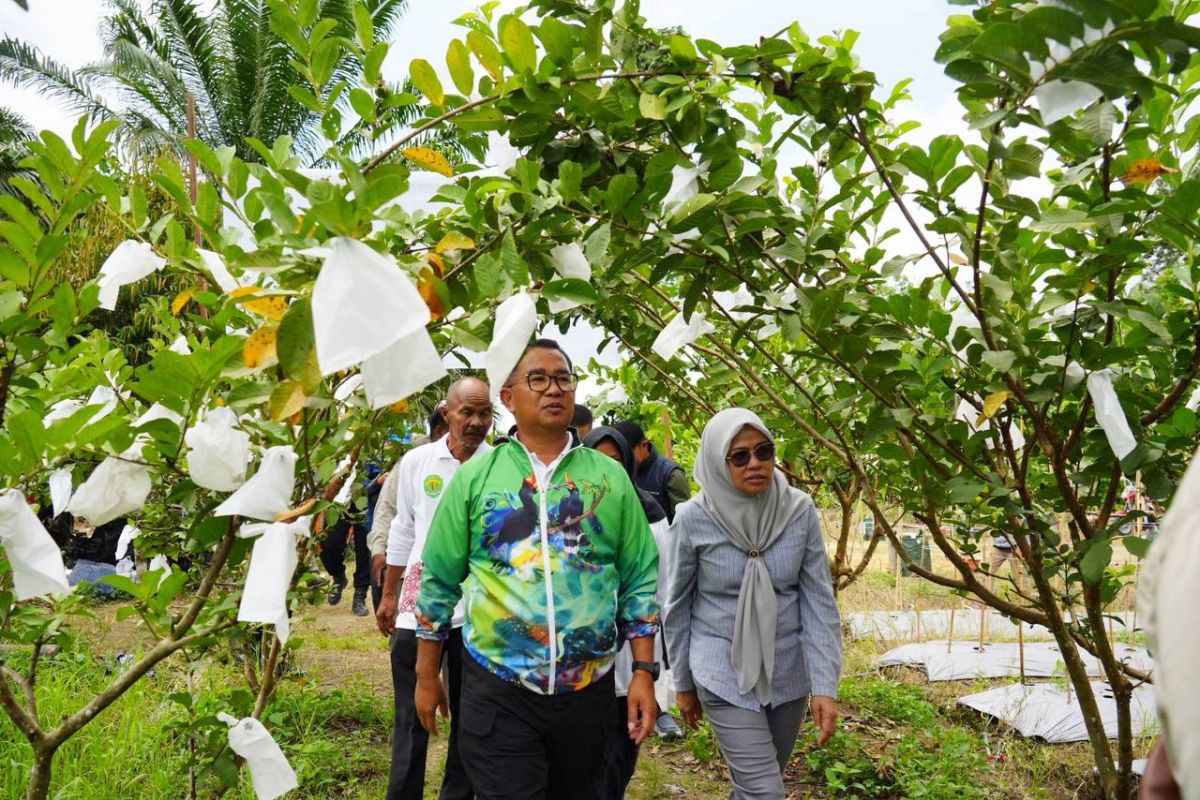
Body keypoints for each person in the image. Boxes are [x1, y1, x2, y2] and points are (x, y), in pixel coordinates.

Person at [415, 339, 661, 800]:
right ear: (508, 398)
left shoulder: (608, 479)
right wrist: (428, 675)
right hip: (499, 686)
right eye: (539, 379)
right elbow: (438, 579)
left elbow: (639, 578)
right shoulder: (477, 477)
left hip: (589, 691)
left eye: (563, 378)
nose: (554, 389)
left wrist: (644, 671)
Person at [664, 408, 842, 800]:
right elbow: (676, 604)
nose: (755, 463)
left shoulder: (798, 511)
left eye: (764, 451)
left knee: (758, 784)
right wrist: (683, 683)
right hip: (720, 668)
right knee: (764, 791)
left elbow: (818, 602)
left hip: (787, 670)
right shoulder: (693, 518)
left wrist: (825, 686)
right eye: (740, 456)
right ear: (717, 461)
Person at [375, 379, 493, 800]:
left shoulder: (498, 466)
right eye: (468, 413)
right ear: (448, 414)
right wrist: (390, 594)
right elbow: (403, 531)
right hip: (418, 607)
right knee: (411, 713)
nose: (477, 422)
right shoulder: (417, 461)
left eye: (485, 413)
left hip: (479, 613)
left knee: (470, 717)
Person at [582, 426, 672, 799]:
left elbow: (661, 590)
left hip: (632, 660)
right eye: (597, 460)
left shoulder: (649, 514)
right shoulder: (571, 516)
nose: (607, 469)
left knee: (619, 759)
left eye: (615, 461)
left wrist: (650, 669)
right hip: (583, 663)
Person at [370, 408, 449, 606]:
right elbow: (386, 508)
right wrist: (379, 550)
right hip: (409, 568)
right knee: (406, 631)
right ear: (440, 432)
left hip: (452, 572)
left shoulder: (474, 464)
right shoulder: (412, 462)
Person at [614, 420, 690, 523]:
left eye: (628, 453)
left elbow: (684, 522)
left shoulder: (671, 475)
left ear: (644, 446)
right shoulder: (619, 473)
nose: (624, 459)